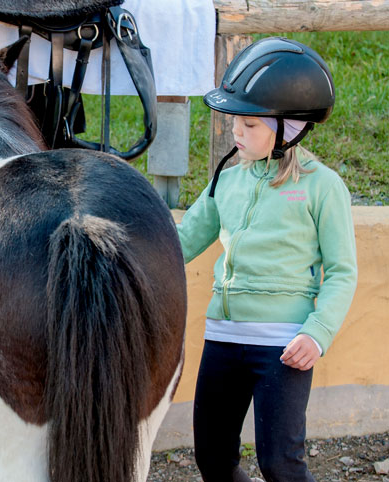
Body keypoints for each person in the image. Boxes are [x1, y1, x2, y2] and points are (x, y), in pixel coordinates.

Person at [176, 37, 358, 482]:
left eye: (251, 125)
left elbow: (341, 271)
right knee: (214, 460)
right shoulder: (226, 181)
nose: (237, 133)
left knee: (280, 463)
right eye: (235, 121)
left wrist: (317, 333)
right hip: (223, 337)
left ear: (290, 127)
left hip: (284, 347)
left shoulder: (322, 186)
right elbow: (179, 243)